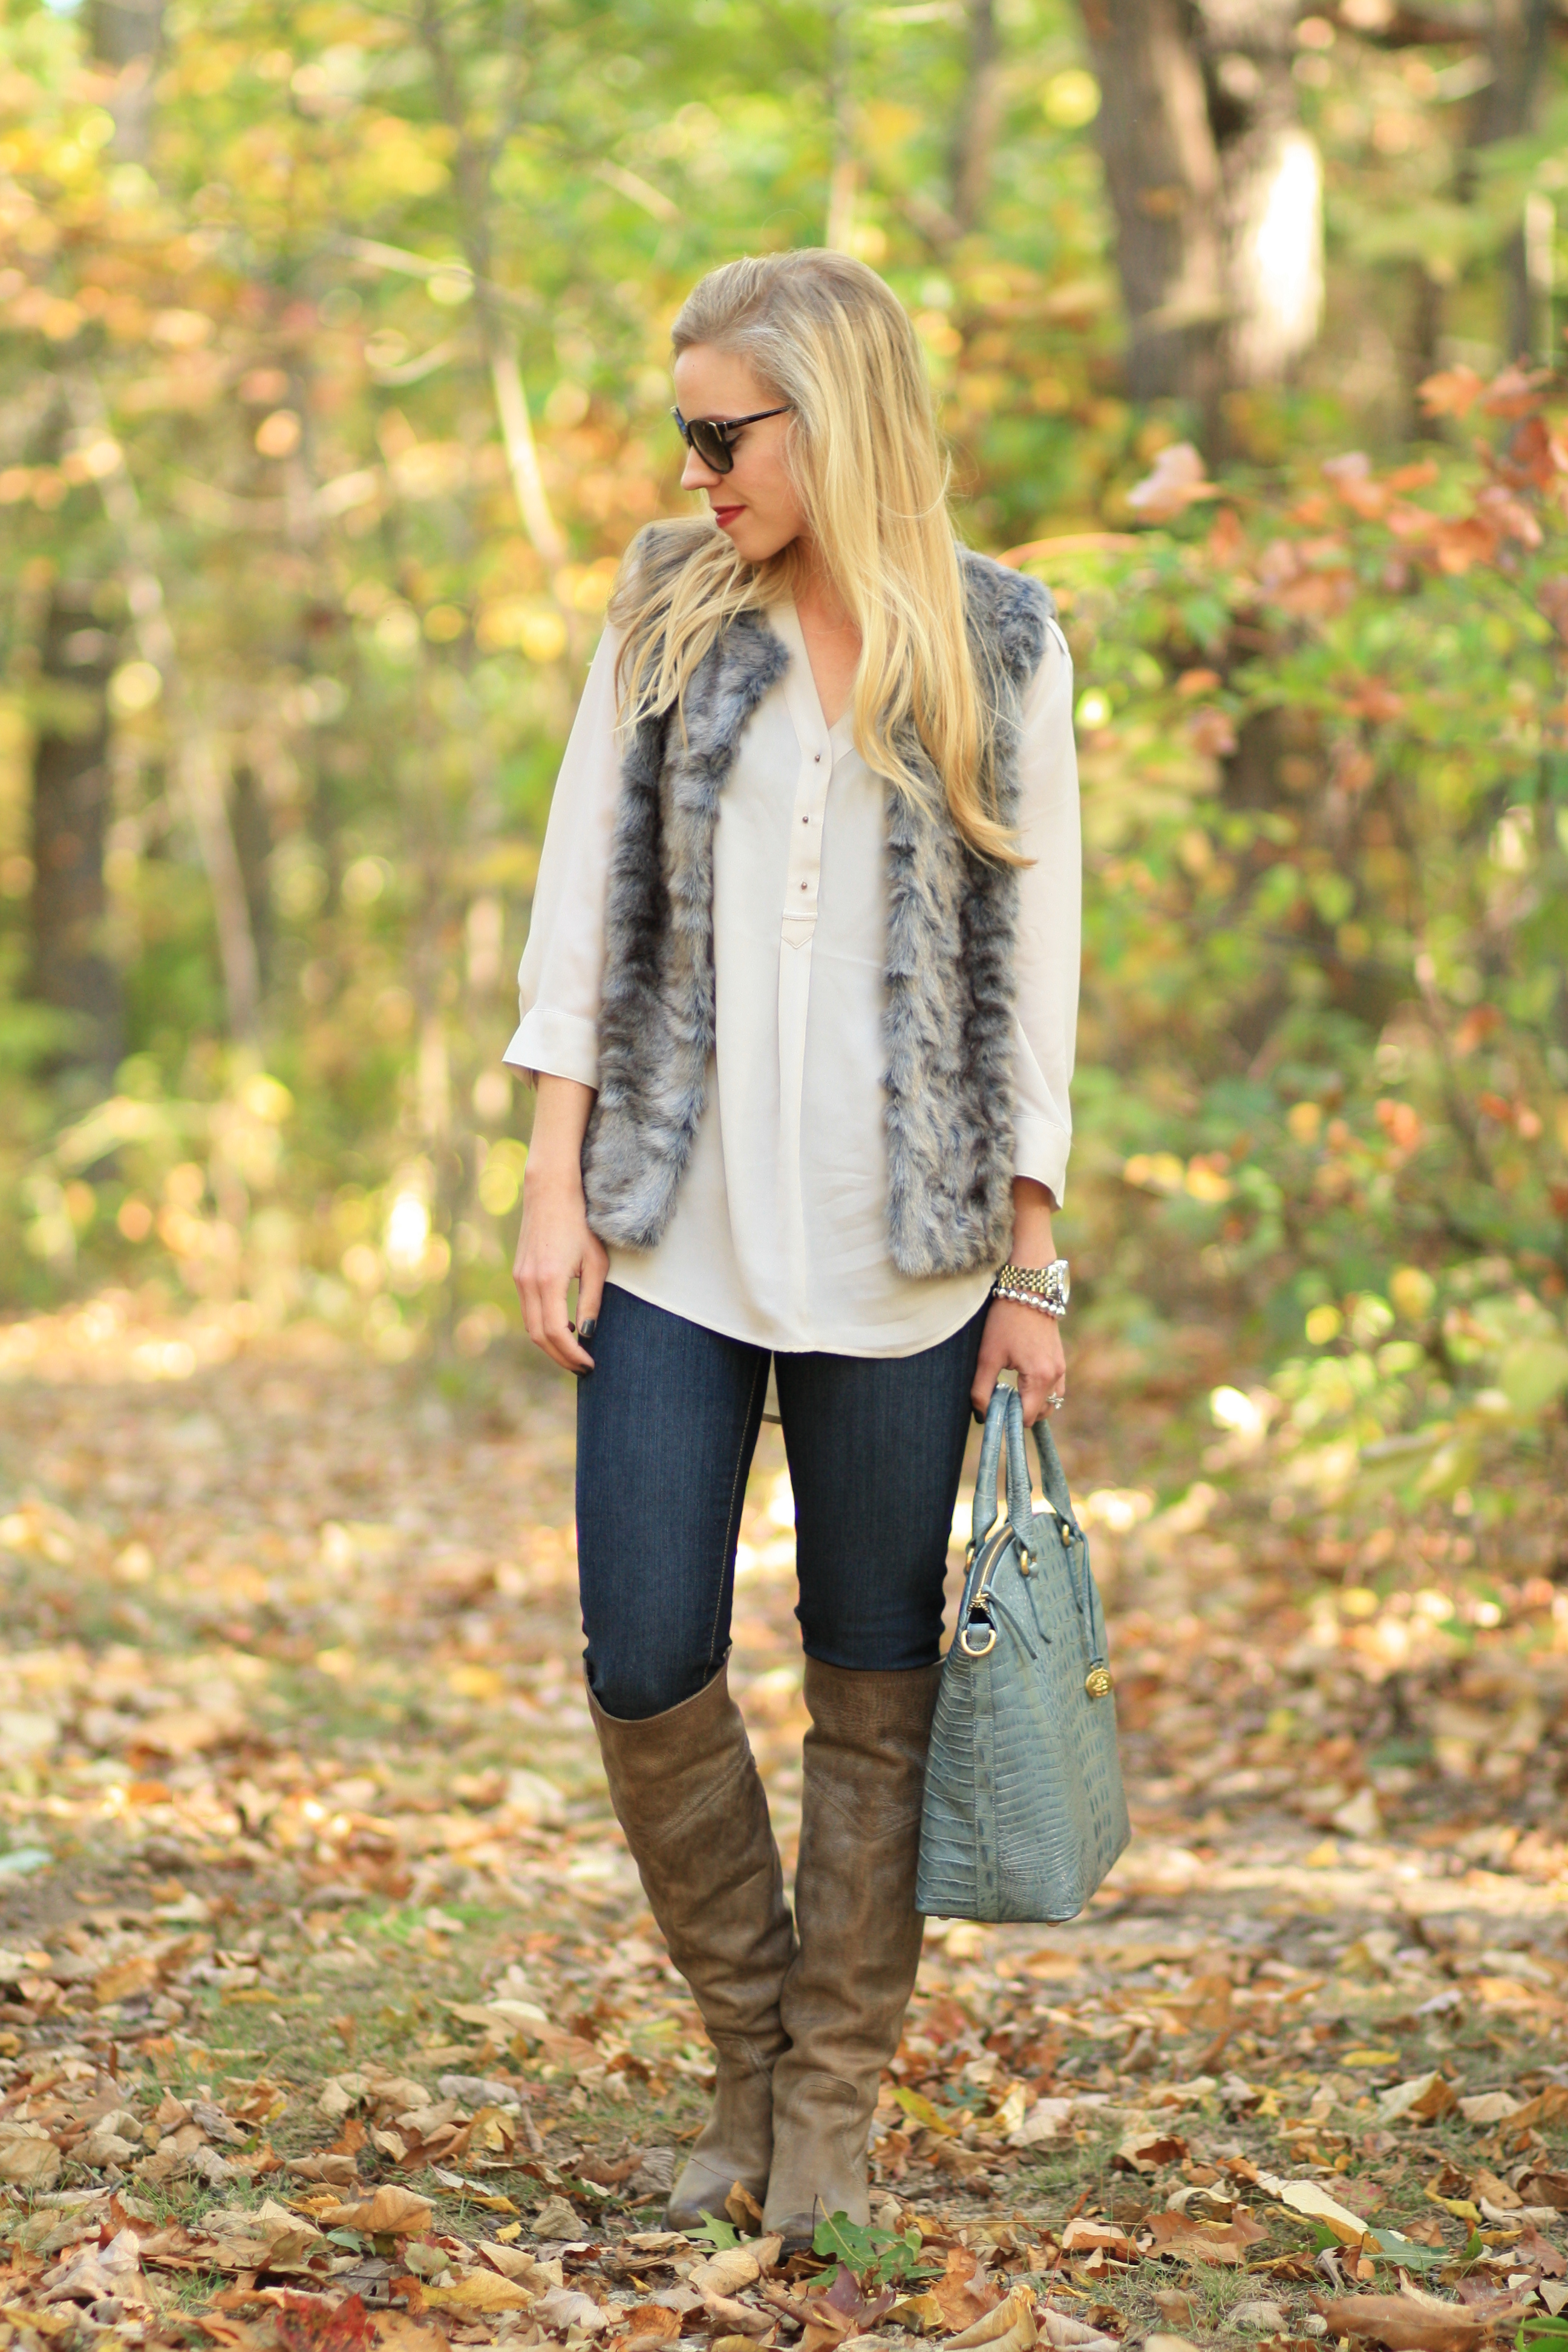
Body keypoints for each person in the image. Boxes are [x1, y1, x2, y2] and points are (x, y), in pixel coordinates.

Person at [505, 249, 1080, 2244]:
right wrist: (547, 1177)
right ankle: (744, 2049)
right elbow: (583, 888)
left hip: (907, 1256)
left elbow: (1037, 972)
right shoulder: (669, 603)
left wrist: (1031, 1265)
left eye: (721, 431)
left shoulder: (1002, 642)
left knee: (872, 1670)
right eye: (688, 431)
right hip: (676, 1227)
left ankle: (821, 2103)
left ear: (833, 418)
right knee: (646, 1650)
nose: (696, 465)